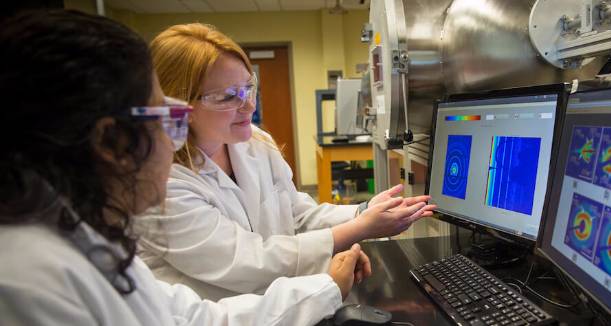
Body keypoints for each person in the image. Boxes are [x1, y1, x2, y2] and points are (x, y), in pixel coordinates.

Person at [0, 10, 365, 325]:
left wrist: (325, 286)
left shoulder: (83, 238)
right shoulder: (30, 282)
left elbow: (187, 318)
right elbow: (240, 265)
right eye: (168, 117)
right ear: (112, 141)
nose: (173, 140)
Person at [136, 22, 437, 300]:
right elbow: (246, 262)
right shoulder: (159, 184)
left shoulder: (253, 143)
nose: (249, 105)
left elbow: (296, 216)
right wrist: (360, 229)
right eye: (228, 97)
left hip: (280, 301)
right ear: (177, 104)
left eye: (248, 87)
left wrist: (362, 211)